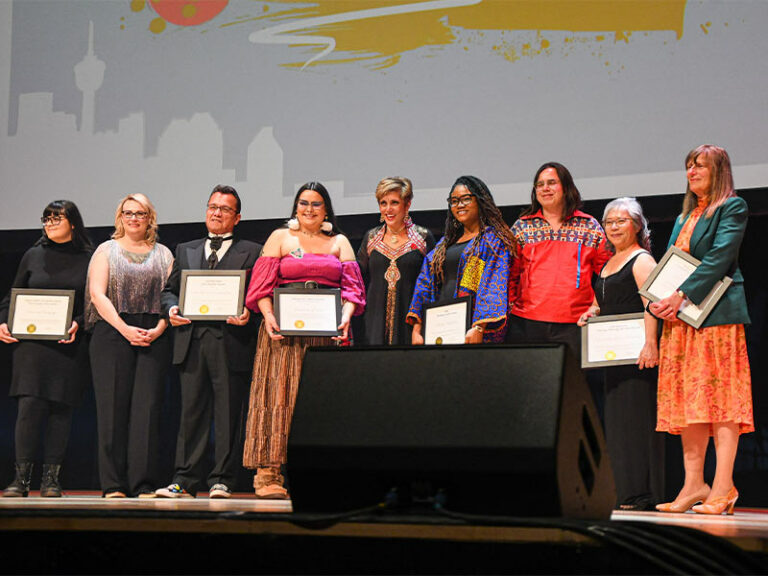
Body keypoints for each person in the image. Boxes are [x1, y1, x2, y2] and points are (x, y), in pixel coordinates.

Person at [243, 182, 365, 499]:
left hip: (327, 332)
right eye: (303, 203)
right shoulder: (280, 237)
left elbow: (353, 290)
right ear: (296, 207)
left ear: (326, 210)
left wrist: (346, 316)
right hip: (283, 331)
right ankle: (268, 474)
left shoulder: (339, 242)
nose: (309, 209)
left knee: (320, 402)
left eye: (316, 204)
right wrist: (268, 317)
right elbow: (261, 286)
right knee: (277, 398)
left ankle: (319, 474)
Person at [649, 145, 753, 515]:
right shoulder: (684, 216)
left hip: (717, 316)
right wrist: (657, 299)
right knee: (688, 402)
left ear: (718, 171)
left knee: (722, 402)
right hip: (682, 319)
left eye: (700, 167)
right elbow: (674, 262)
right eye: (689, 167)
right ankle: (694, 484)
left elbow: (718, 260)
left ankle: (724, 487)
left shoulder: (732, 207)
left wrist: (679, 295)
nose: (692, 172)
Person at [155, 185, 262, 499]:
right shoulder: (185, 248)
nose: (216, 213)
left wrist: (248, 311)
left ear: (237, 217)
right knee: (191, 414)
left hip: (231, 341)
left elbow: (257, 295)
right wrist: (172, 308)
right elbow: (168, 291)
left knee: (228, 415)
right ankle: (184, 480)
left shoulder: (253, 251)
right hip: (192, 341)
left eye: (225, 209)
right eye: (212, 207)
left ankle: (223, 479)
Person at [0, 201, 93, 498]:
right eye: (46, 218)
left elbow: (93, 304)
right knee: (28, 410)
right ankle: (21, 480)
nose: (50, 223)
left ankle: (51, 479)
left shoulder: (90, 258)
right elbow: (11, 298)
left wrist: (77, 323)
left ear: (73, 223)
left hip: (66, 347)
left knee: (60, 413)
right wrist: (3, 322)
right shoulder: (32, 255)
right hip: (31, 349)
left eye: (57, 218)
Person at [577, 197, 664, 511]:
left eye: (621, 220)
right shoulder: (609, 262)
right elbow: (606, 302)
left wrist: (651, 344)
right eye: (609, 221)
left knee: (637, 422)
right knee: (618, 423)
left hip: (638, 356)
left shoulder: (641, 260)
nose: (613, 226)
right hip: (614, 358)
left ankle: (642, 493)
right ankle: (624, 491)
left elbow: (652, 305)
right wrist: (592, 312)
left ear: (637, 225)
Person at [86, 193, 173, 498]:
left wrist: (160, 329)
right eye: (128, 213)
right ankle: (113, 485)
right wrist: (125, 330)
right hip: (112, 333)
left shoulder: (164, 254)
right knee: (112, 410)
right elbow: (98, 295)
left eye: (140, 213)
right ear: (119, 217)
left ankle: (143, 483)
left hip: (154, 334)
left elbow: (171, 298)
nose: (134, 218)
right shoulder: (105, 250)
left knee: (146, 412)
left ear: (150, 218)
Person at [506, 162, 611, 358]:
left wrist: (596, 307)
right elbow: (509, 273)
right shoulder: (522, 226)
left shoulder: (589, 226)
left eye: (552, 182)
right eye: (540, 184)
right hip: (528, 323)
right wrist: (513, 306)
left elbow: (609, 273)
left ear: (566, 187)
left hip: (576, 323)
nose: (545, 188)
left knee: (574, 386)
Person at [407, 175, 516, 344]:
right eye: (454, 201)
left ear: (480, 201)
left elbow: (493, 285)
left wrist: (480, 327)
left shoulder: (492, 241)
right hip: (440, 326)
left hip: (472, 328)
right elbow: (425, 283)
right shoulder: (444, 244)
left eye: (466, 199)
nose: (459, 205)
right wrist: (417, 328)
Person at [357, 177, 435, 345]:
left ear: (407, 205)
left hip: (410, 324)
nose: (388, 209)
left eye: (394, 202)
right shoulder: (371, 238)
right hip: (373, 324)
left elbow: (432, 284)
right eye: (383, 203)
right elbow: (357, 279)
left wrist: (420, 325)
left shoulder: (423, 238)